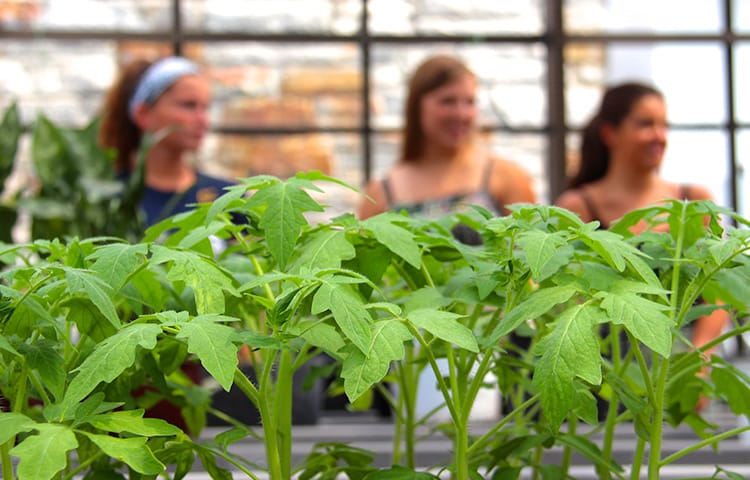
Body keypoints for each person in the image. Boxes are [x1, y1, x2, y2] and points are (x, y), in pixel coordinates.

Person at [555, 81, 728, 410]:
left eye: (664, 125)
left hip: (682, 370)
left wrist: (702, 354)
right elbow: (568, 293)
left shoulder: (695, 202)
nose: (659, 136)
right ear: (610, 133)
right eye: (646, 124)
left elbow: (720, 288)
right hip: (605, 376)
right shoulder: (578, 205)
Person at [358, 54, 536, 232]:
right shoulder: (380, 193)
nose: (461, 114)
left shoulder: (505, 177)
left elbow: (531, 252)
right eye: (448, 102)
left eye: (470, 102)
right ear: (417, 106)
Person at [99, 55, 234, 228]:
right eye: (188, 105)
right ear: (143, 114)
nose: (203, 120)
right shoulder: (107, 200)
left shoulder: (225, 198)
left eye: (205, 107)